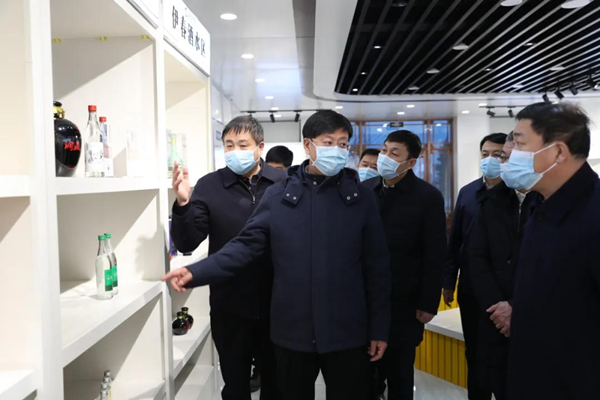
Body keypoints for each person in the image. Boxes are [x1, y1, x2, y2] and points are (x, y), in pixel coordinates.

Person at [163, 110, 392, 400]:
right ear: (308, 145)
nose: (336, 150)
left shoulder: (361, 198)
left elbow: (377, 268)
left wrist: (379, 328)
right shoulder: (279, 194)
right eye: (328, 142)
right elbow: (244, 245)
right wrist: (196, 272)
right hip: (290, 332)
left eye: (343, 143)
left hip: (347, 331)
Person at [170, 115, 285, 400]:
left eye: (242, 145)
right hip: (229, 303)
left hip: (278, 303)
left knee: (277, 383)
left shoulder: (282, 182)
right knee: (235, 384)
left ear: (260, 147)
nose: (235, 151)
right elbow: (187, 241)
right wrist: (183, 204)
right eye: (229, 145)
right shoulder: (210, 185)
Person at [501, 102, 600, 400]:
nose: (511, 152)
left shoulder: (593, 214)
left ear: (557, 152)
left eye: (520, 143)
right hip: (533, 372)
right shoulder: (540, 204)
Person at [363, 131, 447, 400]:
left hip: (405, 301)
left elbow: (435, 253)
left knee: (399, 373)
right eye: (384, 150)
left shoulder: (428, 196)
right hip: (365, 299)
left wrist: (428, 302)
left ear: (410, 162)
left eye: (394, 153)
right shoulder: (366, 190)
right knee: (365, 375)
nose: (385, 157)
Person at [468, 135, 541, 400]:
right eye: (503, 158)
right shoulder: (492, 200)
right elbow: (476, 257)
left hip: (537, 319)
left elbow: (550, 268)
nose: (504, 164)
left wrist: (516, 307)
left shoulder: (548, 200)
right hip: (495, 316)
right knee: (497, 382)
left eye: (508, 158)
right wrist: (499, 309)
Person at [443, 132, 507, 400]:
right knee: (475, 350)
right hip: (470, 286)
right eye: (485, 154)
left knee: (501, 352)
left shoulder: (516, 193)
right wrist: (449, 281)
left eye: (498, 155)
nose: (490, 159)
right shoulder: (468, 192)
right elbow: (455, 239)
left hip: (503, 287)